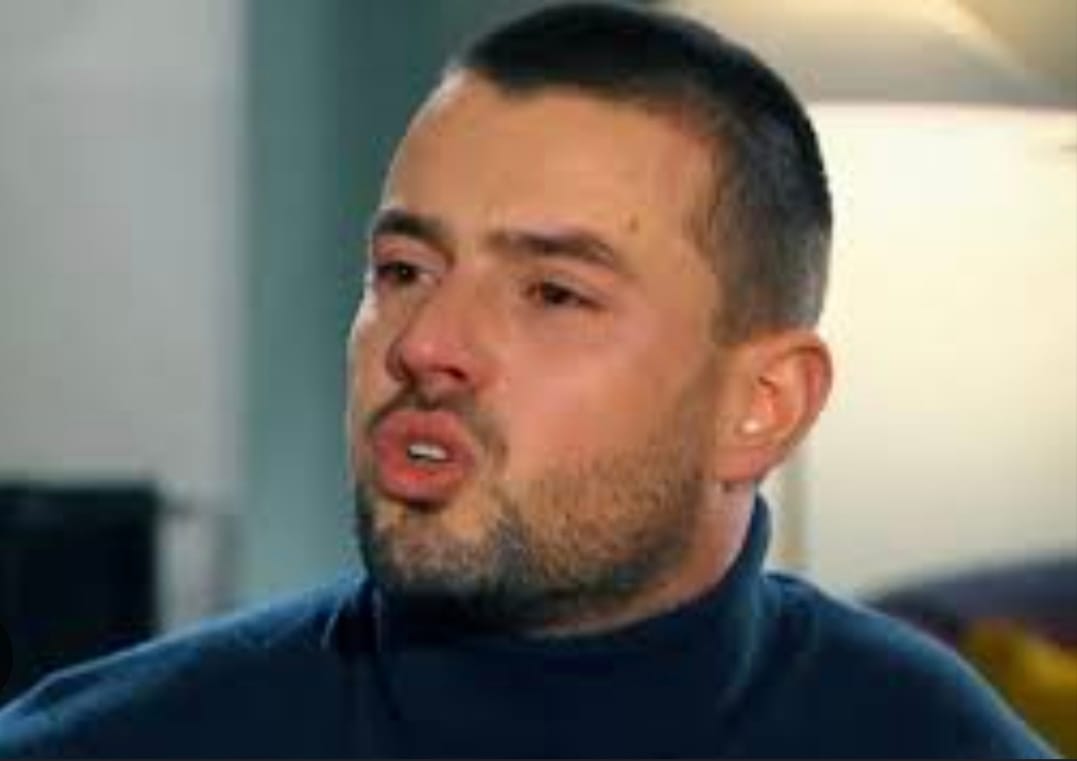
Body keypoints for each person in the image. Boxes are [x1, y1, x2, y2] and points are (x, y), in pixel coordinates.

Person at [0, 3, 1058, 758]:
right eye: (403, 271)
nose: (425, 343)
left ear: (761, 406)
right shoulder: (110, 741)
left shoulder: (929, 736)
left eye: (553, 292)